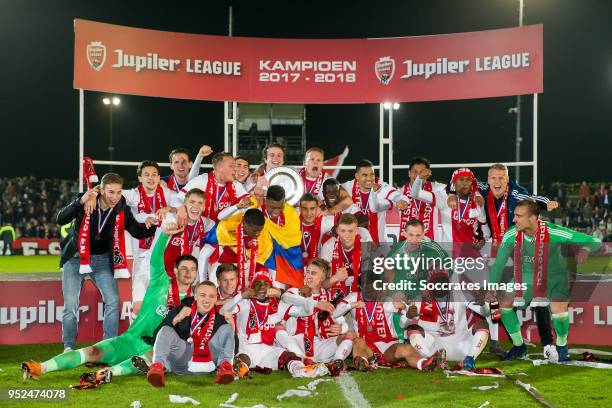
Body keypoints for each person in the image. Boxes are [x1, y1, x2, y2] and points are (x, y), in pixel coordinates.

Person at [22, 223, 196, 382]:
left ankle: (104, 374)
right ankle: (40, 367)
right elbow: (156, 259)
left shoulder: (192, 303)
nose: (188, 273)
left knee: (152, 355)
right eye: (184, 269)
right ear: (175, 270)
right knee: (93, 352)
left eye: (193, 270)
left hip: (155, 348)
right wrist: (164, 235)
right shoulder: (161, 281)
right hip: (130, 339)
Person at [489, 199, 601, 362]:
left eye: (519, 216)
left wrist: (585, 249)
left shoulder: (554, 232)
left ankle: (562, 347)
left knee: (558, 309)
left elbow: (594, 241)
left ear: (533, 218)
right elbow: (498, 264)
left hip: (554, 276)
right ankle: (519, 347)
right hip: (526, 277)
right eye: (515, 216)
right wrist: (492, 287)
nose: (514, 220)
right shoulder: (511, 234)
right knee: (504, 304)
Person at [55, 173, 156, 351]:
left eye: (118, 192)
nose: (114, 197)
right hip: (76, 258)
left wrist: (151, 223)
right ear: (101, 190)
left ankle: (108, 346)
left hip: (101, 260)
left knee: (112, 301)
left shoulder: (121, 208)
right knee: (70, 305)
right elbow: (60, 219)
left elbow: (137, 231)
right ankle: (69, 346)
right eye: (110, 192)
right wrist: (79, 202)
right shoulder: (86, 201)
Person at [220, 271, 329, 378]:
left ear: (271, 288)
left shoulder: (279, 306)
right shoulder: (244, 303)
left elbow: (307, 312)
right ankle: (237, 370)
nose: (262, 287)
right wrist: (241, 296)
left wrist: (308, 296)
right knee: (242, 359)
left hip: (268, 351)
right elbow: (222, 311)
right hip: (246, 349)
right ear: (252, 288)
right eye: (258, 284)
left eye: (266, 284)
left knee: (288, 356)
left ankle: (300, 370)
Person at [142, 282, 236, 386]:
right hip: (183, 359)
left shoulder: (221, 315)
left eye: (211, 296)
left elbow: (234, 349)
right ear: (195, 296)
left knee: (227, 328)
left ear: (215, 299)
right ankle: (157, 367)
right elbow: (157, 335)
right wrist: (177, 319)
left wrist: (232, 324)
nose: (207, 300)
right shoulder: (182, 309)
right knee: (165, 329)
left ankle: (225, 368)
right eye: (202, 295)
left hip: (209, 361)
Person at [119, 161, 177, 313]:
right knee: (139, 296)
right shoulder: (134, 195)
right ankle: (136, 327)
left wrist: (169, 208)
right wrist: (95, 191)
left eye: (154, 175)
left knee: (160, 295)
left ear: (159, 177)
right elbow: (114, 191)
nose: (151, 178)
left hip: (161, 255)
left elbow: (184, 202)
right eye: (146, 175)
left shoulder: (168, 194)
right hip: (141, 255)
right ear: (140, 178)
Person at [281, 258, 355, 372]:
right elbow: (285, 298)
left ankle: (336, 363)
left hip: (321, 345)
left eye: (314, 273)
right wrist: (317, 304)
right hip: (298, 343)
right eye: (308, 272)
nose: (309, 276)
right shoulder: (296, 292)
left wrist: (341, 328)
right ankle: (303, 360)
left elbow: (341, 320)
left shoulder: (329, 296)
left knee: (350, 334)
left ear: (323, 278)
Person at [342, 159, 409, 244]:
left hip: (378, 242)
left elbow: (398, 195)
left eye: (372, 174)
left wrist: (402, 201)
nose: (369, 178)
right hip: (354, 243)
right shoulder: (347, 188)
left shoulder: (380, 185)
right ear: (357, 176)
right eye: (365, 175)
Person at [174, 152, 249, 224]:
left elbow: (249, 203)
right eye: (232, 166)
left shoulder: (236, 185)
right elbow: (176, 199)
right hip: (201, 229)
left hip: (224, 230)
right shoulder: (202, 180)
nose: (236, 169)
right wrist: (181, 208)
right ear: (219, 168)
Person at [399, 157, 446, 241]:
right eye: (415, 172)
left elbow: (454, 187)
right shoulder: (400, 192)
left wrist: (476, 193)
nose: (418, 176)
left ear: (427, 174)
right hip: (406, 244)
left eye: (421, 172)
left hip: (430, 245)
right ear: (409, 173)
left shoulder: (436, 189)